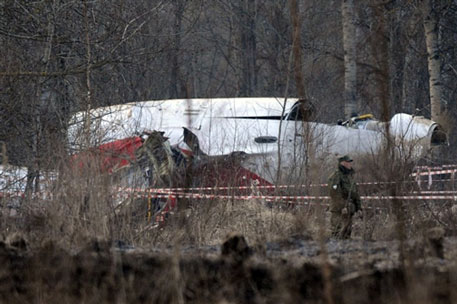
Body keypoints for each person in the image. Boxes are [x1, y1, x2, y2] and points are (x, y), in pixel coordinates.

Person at [328, 155, 362, 239]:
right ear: (342, 163)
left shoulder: (350, 176)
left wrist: (359, 207)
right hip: (339, 210)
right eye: (348, 162)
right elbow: (334, 193)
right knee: (337, 231)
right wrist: (343, 206)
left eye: (350, 162)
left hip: (349, 209)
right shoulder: (335, 176)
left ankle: (346, 250)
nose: (350, 164)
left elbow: (355, 193)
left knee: (347, 232)